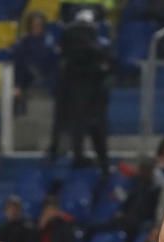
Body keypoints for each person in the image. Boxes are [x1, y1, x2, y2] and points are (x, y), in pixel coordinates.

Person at [52, 9, 111, 171]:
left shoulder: (68, 49)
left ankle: (76, 156)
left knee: (77, 126)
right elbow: (106, 68)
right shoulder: (98, 46)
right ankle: (103, 163)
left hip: (74, 96)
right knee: (96, 128)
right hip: (93, 96)